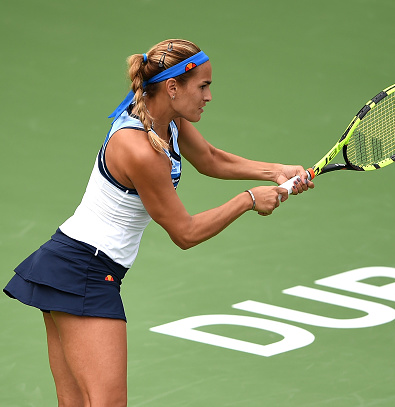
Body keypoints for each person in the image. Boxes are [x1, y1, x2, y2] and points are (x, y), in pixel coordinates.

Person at [3, 39, 312, 406]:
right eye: (203, 86)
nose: (209, 96)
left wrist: (275, 170)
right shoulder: (140, 150)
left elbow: (210, 158)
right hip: (84, 271)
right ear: (172, 87)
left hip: (68, 263)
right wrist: (247, 200)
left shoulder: (164, 119)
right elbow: (185, 232)